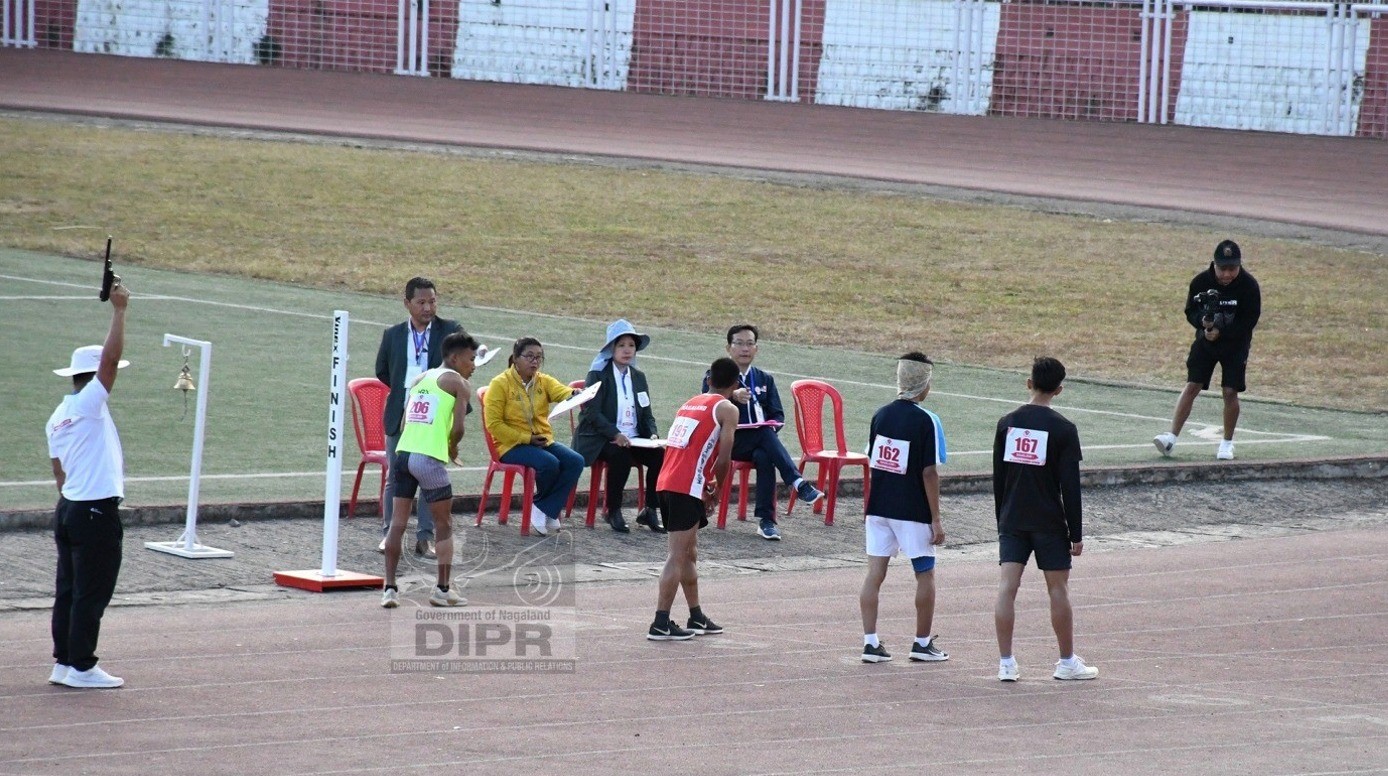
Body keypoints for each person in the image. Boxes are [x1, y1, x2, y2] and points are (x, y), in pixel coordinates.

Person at [46, 275, 131, 689]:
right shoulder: (89, 405)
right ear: (90, 377)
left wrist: (73, 499)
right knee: (90, 593)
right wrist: (119, 311)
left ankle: (64, 662)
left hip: (69, 509)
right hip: (94, 510)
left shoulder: (59, 414)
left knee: (69, 589)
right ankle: (81, 666)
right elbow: (111, 363)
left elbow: (58, 472)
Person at [993, 356, 1097, 681]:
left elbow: (999, 477)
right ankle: (1066, 662)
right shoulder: (1064, 429)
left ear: (1029, 383)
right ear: (1059, 390)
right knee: (1058, 590)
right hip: (1049, 522)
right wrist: (1075, 533)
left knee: (1007, 588)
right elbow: (1070, 486)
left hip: (1012, 519)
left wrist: (1002, 519)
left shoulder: (1006, 423)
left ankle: (1006, 663)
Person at [859, 352, 949, 664]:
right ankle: (922, 643)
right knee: (925, 574)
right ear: (924, 383)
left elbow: (874, 460)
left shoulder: (880, 415)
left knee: (874, 574)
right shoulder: (926, 420)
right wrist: (936, 518)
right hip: (912, 510)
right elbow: (929, 472)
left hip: (879, 507)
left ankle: (870, 642)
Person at [381, 332, 479, 609]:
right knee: (444, 525)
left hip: (403, 455)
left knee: (398, 524)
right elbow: (459, 428)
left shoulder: (419, 379)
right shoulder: (458, 383)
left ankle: (389, 588)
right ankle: (442, 590)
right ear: (455, 358)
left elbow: (403, 424)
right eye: (471, 360)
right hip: (428, 460)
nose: (473, 366)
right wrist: (452, 448)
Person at [701, 324, 823, 541]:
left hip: (760, 442)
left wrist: (770, 426)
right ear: (728, 348)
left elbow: (778, 416)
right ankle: (798, 483)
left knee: (765, 453)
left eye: (749, 344)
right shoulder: (717, 375)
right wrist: (731, 396)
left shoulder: (765, 379)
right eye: (739, 343)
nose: (744, 348)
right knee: (765, 436)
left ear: (756, 349)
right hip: (730, 442)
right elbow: (707, 403)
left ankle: (766, 521)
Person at [648, 357, 740, 640]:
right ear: (735, 384)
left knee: (689, 552)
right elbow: (724, 458)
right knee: (677, 555)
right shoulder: (728, 409)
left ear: (709, 378)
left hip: (668, 481)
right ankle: (660, 622)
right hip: (685, 486)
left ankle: (696, 616)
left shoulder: (689, 403)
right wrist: (718, 489)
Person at [375, 277, 464, 558]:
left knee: (430, 475)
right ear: (407, 304)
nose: (428, 307)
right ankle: (391, 533)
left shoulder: (451, 331)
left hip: (435, 413)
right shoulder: (393, 334)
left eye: (433, 301)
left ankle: (424, 538)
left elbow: (462, 361)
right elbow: (383, 371)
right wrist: (407, 393)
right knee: (395, 476)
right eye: (422, 302)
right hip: (402, 411)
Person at [1153, 239, 1262, 461]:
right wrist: (1202, 324)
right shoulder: (1200, 282)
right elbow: (1190, 310)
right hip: (1205, 342)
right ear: (1214, 264)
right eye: (1223, 268)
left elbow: (1249, 320)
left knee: (1230, 391)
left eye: (1233, 268)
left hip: (1235, 346)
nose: (1227, 274)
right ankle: (1171, 438)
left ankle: (1227, 443)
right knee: (1192, 385)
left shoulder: (1249, 286)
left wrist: (1223, 334)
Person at [484, 337, 585, 537]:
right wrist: (525, 438)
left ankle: (542, 506)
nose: (535, 361)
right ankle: (546, 508)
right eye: (529, 356)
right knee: (549, 463)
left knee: (575, 461)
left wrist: (575, 393)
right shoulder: (499, 384)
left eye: (539, 357)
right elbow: (494, 425)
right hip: (510, 445)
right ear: (515, 358)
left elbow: (562, 392)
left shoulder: (543, 381)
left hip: (540, 440)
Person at [573, 319, 667, 534]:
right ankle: (612, 510)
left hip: (634, 437)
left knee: (660, 456)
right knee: (620, 456)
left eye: (631, 346)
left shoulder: (639, 377)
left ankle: (650, 510)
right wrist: (615, 434)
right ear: (611, 349)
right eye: (621, 345)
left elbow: (646, 413)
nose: (627, 350)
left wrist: (652, 434)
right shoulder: (597, 375)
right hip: (600, 437)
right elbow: (591, 412)